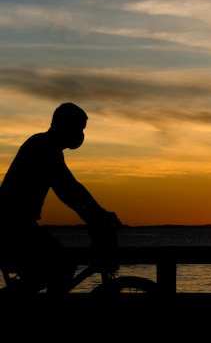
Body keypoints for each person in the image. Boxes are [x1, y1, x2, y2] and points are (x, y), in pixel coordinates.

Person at [0, 102, 121, 294]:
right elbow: (70, 188)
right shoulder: (44, 148)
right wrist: (97, 212)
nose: (81, 134)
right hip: (13, 226)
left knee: (44, 273)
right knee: (63, 265)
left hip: (16, 225)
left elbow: (67, 191)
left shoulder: (46, 146)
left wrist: (89, 213)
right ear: (65, 125)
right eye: (79, 128)